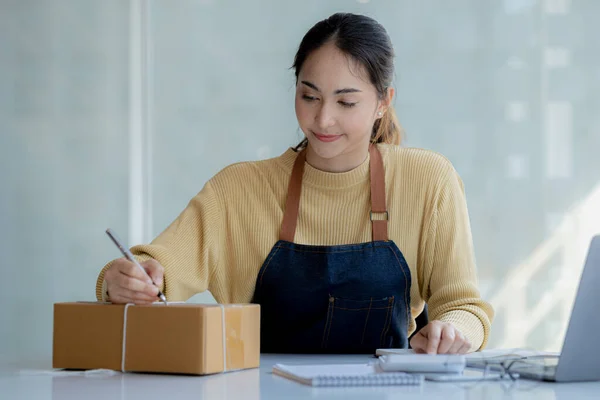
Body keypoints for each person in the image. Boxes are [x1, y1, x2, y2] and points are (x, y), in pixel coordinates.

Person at [96, 12, 494, 355]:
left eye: (346, 102)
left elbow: (464, 306)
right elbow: (161, 266)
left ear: (383, 102)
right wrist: (126, 282)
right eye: (309, 96)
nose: (322, 120)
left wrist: (453, 331)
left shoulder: (428, 181)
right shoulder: (239, 189)